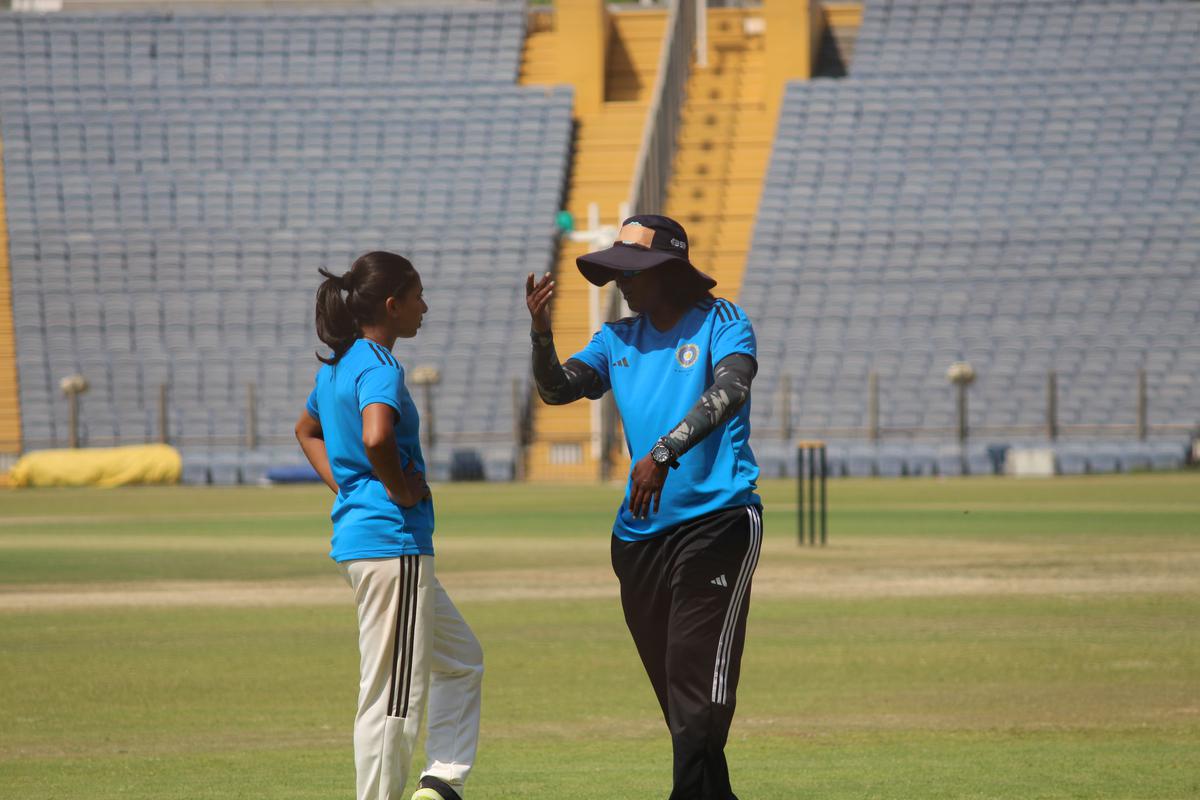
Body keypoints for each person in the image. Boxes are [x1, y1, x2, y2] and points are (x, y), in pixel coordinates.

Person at [525, 215, 762, 800]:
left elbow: (731, 390)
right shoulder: (616, 339)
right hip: (638, 541)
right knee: (679, 698)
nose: (622, 282)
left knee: (695, 691)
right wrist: (539, 334)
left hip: (717, 523)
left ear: (669, 270)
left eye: (633, 270)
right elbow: (557, 389)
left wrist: (662, 452)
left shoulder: (722, 321)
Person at [295, 251, 483, 800]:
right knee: (392, 697)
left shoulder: (336, 365)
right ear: (393, 304)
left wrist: (350, 487)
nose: (425, 307)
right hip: (391, 542)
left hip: (371, 541)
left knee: (462, 660)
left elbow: (306, 431)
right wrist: (397, 489)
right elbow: (377, 437)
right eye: (418, 295)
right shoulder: (378, 365)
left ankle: (440, 784)